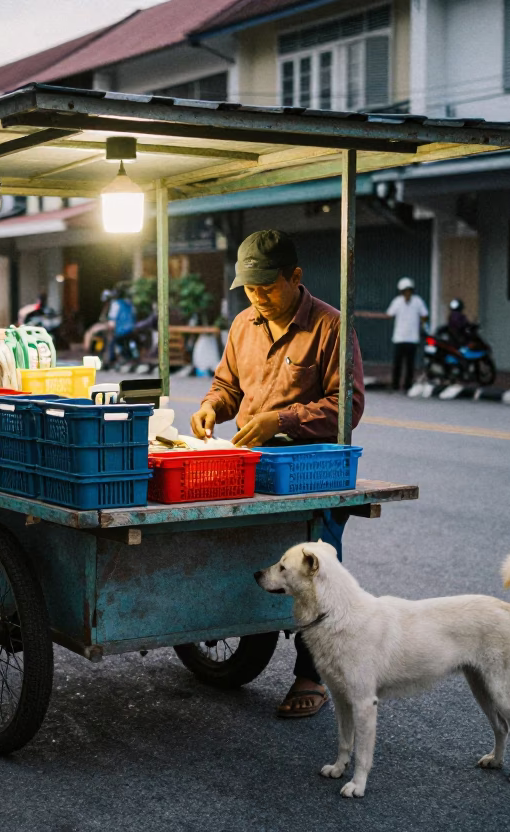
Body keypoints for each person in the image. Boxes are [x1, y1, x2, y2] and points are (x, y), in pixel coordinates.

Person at [191, 229, 364, 719]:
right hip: (252, 467)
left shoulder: (331, 326)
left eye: (267, 286)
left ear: (295, 277)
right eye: (249, 288)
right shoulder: (244, 324)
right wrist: (210, 407)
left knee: (315, 568)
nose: (258, 297)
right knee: (243, 549)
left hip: (311, 472)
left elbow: (347, 405)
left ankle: (313, 674)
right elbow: (226, 384)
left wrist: (282, 420)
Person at [385, 277, 428, 392]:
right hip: (399, 337)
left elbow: (424, 314)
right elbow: (389, 313)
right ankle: (395, 385)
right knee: (397, 363)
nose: (407, 293)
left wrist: (423, 325)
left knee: (410, 364)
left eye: (409, 290)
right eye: (405, 291)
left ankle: (407, 386)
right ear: (401, 292)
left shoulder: (418, 301)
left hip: (412, 338)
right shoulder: (397, 301)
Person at [106, 284, 136, 368]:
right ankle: (130, 358)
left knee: (111, 342)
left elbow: (112, 321)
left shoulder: (116, 304)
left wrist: (110, 329)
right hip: (131, 330)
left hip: (121, 331)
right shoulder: (129, 304)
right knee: (128, 342)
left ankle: (112, 360)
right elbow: (134, 315)